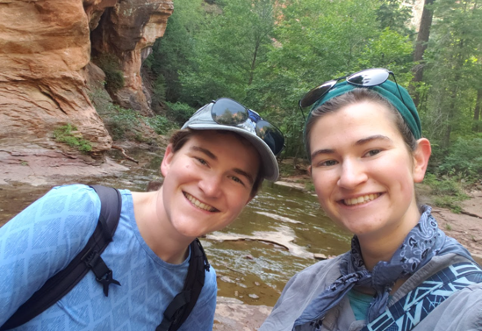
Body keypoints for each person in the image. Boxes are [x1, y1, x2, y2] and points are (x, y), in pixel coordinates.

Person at [0, 97, 284, 330]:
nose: (210, 188)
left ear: (249, 198)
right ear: (169, 158)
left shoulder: (199, 288)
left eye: (236, 179)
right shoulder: (75, 213)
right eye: (201, 160)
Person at [260, 68, 482, 331]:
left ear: (418, 160)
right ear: (312, 176)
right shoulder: (305, 285)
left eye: (372, 151)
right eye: (328, 161)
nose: (350, 178)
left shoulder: (470, 310)